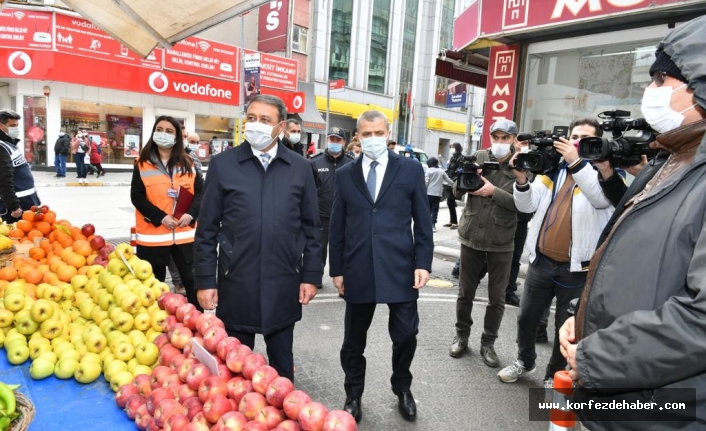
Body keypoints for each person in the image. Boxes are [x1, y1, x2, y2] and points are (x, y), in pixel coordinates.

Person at [560, 17, 706, 429]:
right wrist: (583, 317)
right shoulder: (669, 160)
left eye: (661, 79)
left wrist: (594, 356)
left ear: (698, 87)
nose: (650, 91)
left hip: (666, 410)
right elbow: (630, 266)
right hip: (616, 400)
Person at [193, 95, 322, 381]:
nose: (256, 125)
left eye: (265, 120)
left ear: (281, 127)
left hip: (284, 281)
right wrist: (205, 281)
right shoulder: (223, 165)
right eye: (251, 118)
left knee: (282, 372)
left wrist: (310, 276)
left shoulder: (300, 168)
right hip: (236, 279)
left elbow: (313, 228)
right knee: (236, 372)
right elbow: (207, 229)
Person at [329, 110, 433, 423]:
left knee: (405, 335)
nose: (372, 139)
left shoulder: (410, 170)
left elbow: (423, 221)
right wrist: (336, 269)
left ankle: (402, 386)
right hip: (358, 267)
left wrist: (423, 262)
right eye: (366, 133)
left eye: (378, 133)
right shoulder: (345, 174)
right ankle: (353, 394)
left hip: (400, 267)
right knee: (353, 341)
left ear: (388, 134)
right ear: (357, 137)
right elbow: (337, 226)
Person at [497, 118, 613, 387]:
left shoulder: (602, 174)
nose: (575, 142)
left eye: (583, 138)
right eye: (573, 136)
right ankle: (525, 361)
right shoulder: (552, 171)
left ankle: (554, 374)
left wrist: (576, 161)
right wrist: (522, 179)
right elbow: (527, 206)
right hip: (541, 263)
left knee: (565, 327)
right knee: (526, 317)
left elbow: (599, 199)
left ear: (596, 143)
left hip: (576, 270)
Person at [448, 119, 521, 369]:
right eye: (496, 137)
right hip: (472, 237)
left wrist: (493, 192)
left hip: (502, 240)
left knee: (497, 298)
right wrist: (465, 175)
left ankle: (488, 343)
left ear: (514, 139)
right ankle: (462, 336)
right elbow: (457, 193)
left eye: (505, 138)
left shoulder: (521, 164)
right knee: (465, 292)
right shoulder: (477, 156)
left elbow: (524, 206)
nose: (500, 143)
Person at [130, 116, 203, 309]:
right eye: (160, 129)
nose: (164, 134)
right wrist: (160, 217)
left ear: (177, 136)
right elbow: (137, 197)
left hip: (184, 234)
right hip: (153, 236)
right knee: (154, 287)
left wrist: (191, 214)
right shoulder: (141, 163)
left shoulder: (189, 163)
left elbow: (201, 193)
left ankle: (198, 323)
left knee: (192, 281)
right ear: (153, 132)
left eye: (169, 131)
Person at [310, 126, 354, 289]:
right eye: (331, 139)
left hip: (345, 216)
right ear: (327, 140)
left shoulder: (352, 163)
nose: (334, 142)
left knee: (344, 249)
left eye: (338, 140)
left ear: (344, 142)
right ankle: (315, 278)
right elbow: (308, 191)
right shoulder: (315, 162)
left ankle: (344, 279)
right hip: (321, 215)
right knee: (318, 249)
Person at [0, 109, 40, 223]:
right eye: (12, 125)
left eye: (17, 125)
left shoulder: (9, 144)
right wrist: (13, 205)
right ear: (1, 126)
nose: (16, 129)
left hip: (27, 202)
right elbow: (4, 179)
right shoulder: (1, 148)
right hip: (15, 207)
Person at [425, 157, 454, 232]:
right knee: (435, 210)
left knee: (427, 209)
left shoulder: (428, 171)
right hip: (438, 194)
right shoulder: (441, 171)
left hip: (429, 193)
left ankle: (426, 224)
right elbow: (448, 180)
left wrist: (423, 190)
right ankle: (433, 225)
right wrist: (454, 185)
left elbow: (426, 182)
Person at [443, 142, 464, 229]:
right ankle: (452, 221)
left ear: (457, 148)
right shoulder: (452, 157)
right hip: (449, 181)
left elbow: (460, 169)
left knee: (450, 201)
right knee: (450, 202)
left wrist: (454, 179)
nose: (451, 148)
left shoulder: (461, 157)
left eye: (452, 147)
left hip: (454, 182)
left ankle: (454, 222)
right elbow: (449, 169)